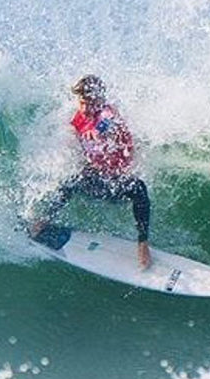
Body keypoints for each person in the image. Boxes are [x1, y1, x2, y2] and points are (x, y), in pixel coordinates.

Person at [30, 75, 152, 269]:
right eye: (82, 102)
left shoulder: (107, 114)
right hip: (97, 182)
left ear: (100, 100)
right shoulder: (77, 118)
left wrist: (101, 131)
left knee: (138, 187)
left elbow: (109, 122)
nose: (86, 108)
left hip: (117, 185)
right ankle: (42, 221)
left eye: (91, 102)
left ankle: (143, 243)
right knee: (69, 181)